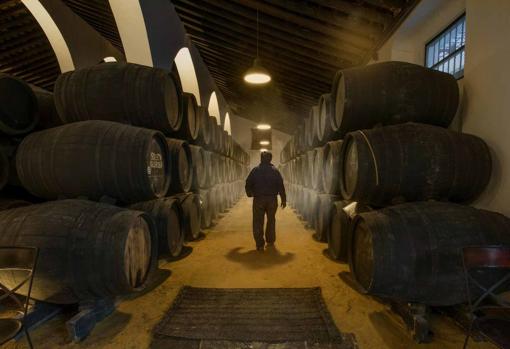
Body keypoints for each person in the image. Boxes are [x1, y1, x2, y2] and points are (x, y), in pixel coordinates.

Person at [245, 151, 286, 251]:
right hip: (272, 200)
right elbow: (281, 186)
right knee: (271, 220)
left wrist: (249, 193)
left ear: (261, 159)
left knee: (258, 221)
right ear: (270, 159)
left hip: (259, 199)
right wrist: (284, 199)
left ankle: (259, 244)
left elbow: (248, 183)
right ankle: (270, 241)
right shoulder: (275, 171)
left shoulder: (255, 170)